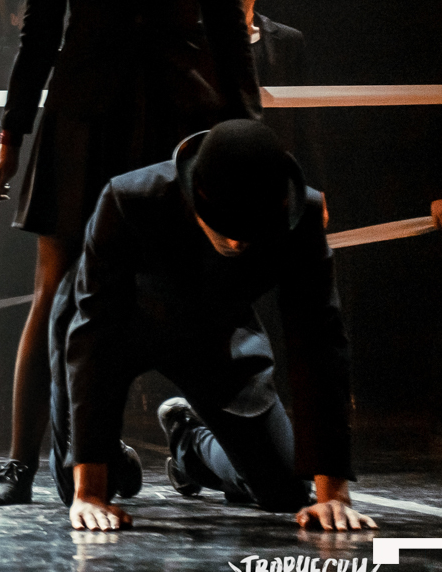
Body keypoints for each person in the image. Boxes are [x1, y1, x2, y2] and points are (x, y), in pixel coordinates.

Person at [0, 0, 260, 505]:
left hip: (180, 120)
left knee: (196, 288)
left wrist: (250, 135)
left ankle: (207, 444)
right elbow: (40, 33)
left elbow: (226, 29)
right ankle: (22, 464)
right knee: (55, 289)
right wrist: (10, 138)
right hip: (85, 120)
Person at [53, 121, 370, 532]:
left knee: (286, 490)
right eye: (225, 226)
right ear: (196, 193)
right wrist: (90, 490)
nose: (236, 244)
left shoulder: (302, 214)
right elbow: (95, 335)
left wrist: (334, 497)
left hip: (213, 332)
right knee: (84, 489)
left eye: (250, 233)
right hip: (119, 326)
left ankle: (190, 442)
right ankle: (112, 460)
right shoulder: (130, 198)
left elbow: (320, 341)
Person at [230, 0, 328, 192]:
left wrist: (315, 190)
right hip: (219, 175)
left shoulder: (288, 41)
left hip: (276, 177)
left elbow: (306, 123)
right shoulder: (198, 39)